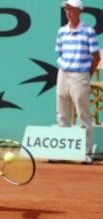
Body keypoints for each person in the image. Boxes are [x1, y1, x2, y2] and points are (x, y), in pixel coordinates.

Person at [55, 0, 101, 164]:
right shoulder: (61, 32)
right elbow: (60, 53)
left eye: (72, 9)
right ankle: (63, 152)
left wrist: (86, 73)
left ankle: (86, 153)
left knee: (83, 115)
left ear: (80, 11)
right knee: (62, 114)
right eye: (67, 9)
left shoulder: (88, 31)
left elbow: (96, 57)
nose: (69, 12)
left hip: (80, 75)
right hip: (63, 74)